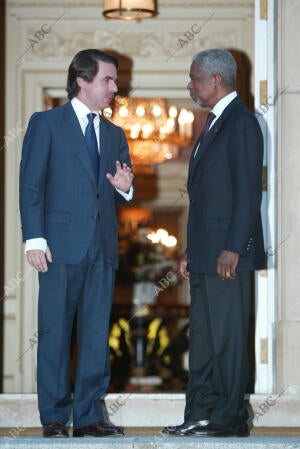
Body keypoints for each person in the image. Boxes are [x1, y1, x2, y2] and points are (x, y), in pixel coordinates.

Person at [19, 49, 134, 438]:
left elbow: (119, 187)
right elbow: (31, 184)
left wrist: (126, 188)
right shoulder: (46, 123)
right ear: (82, 80)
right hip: (57, 248)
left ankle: (88, 417)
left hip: (101, 250)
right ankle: (53, 418)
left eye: (115, 81)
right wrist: (33, 238)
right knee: (54, 334)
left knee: (96, 335)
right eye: (108, 80)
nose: (115, 88)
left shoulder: (116, 134)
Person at [162, 49, 265, 438]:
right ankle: (200, 412)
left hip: (228, 255)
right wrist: (192, 250)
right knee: (203, 338)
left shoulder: (240, 123)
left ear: (215, 80)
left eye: (194, 79)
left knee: (228, 338)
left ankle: (229, 417)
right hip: (206, 254)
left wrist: (234, 247)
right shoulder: (212, 123)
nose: (190, 86)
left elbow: (247, 193)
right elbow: (205, 197)